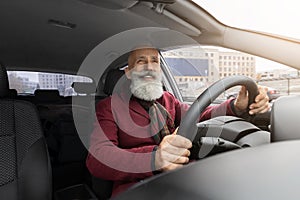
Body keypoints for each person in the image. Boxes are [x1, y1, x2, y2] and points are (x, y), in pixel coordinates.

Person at [86, 48, 270, 197]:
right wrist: (153, 159)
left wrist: (236, 107)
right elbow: (98, 158)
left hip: (182, 174)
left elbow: (200, 114)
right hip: (137, 186)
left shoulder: (167, 99)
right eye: (141, 61)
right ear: (128, 72)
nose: (150, 67)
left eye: (155, 61)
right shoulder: (109, 107)